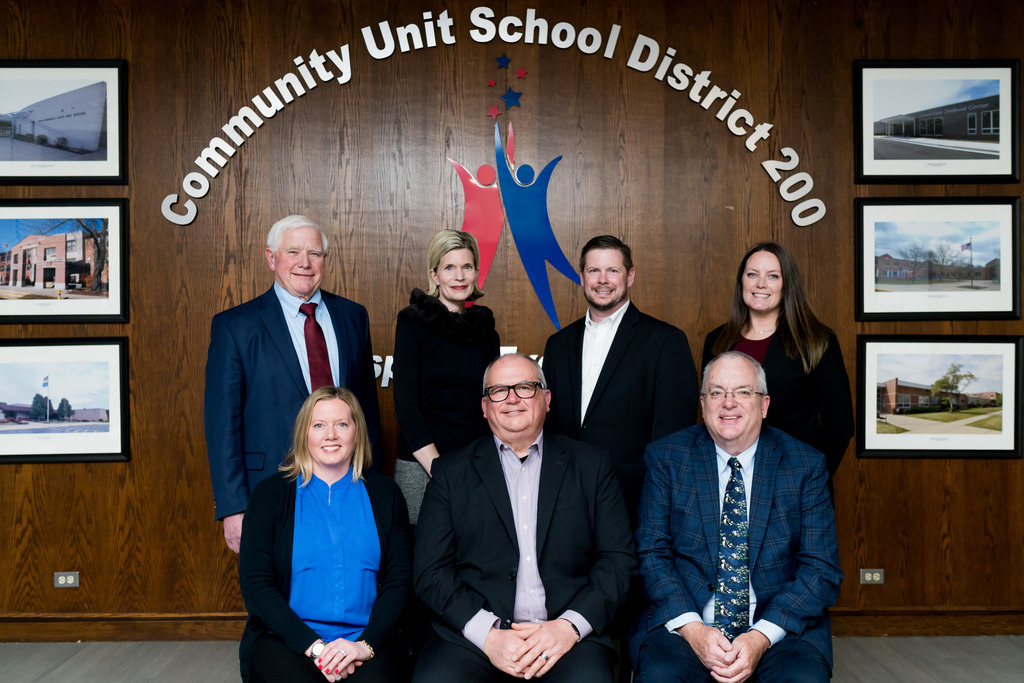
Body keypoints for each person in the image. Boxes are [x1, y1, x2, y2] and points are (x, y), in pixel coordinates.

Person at [412, 354, 636, 683]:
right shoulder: (450, 473)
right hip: (473, 638)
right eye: (499, 390)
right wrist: (488, 634)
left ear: (546, 399)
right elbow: (430, 572)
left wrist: (569, 627)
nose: (513, 398)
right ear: (485, 407)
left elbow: (619, 561)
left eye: (525, 387)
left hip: (567, 635)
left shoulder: (592, 466)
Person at [631, 352, 843, 683]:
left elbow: (821, 568)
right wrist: (693, 629)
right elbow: (651, 553)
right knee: (660, 675)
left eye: (743, 392)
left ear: (764, 404)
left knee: (802, 678)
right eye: (717, 393)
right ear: (703, 404)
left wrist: (760, 637)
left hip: (777, 628)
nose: (728, 403)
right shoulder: (666, 458)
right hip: (687, 623)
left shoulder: (805, 465)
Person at [205, 214, 382, 553]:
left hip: (348, 485)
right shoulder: (235, 326)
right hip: (270, 487)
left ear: (324, 261)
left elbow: (367, 413)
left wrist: (373, 484)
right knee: (277, 595)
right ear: (271, 258)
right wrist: (232, 507)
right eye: (293, 252)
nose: (305, 263)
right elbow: (221, 425)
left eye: (314, 253)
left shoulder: (352, 316)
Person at [238, 387, 411, 683]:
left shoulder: (386, 495)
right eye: (319, 425)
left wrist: (362, 647)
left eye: (341, 424)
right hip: (288, 640)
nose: (330, 434)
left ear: (357, 432)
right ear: (304, 433)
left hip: (367, 640)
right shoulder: (270, 495)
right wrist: (317, 648)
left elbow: (399, 581)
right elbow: (257, 587)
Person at [542, 234, 698, 526]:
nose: (603, 280)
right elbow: (549, 425)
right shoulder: (558, 344)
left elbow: (673, 435)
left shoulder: (665, 341)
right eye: (594, 271)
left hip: (634, 501)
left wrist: (659, 505)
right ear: (581, 277)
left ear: (630, 277)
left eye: (613, 270)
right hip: (565, 498)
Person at [702, 242, 853, 494]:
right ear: (742, 281)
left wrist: (811, 478)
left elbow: (840, 424)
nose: (761, 284)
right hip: (728, 484)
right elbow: (708, 414)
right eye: (753, 274)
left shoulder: (817, 340)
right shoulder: (717, 341)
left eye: (773, 276)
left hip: (794, 483)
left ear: (787, 284)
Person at [393, 229, 500, 525]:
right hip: (421, 464)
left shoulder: (485, 331)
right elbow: (406, 404)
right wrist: (438, 468)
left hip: (474, 464)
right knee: (419, 558)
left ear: (476, 272)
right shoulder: (413, 322)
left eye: (467, 267)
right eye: (449, 267)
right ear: (435, 274)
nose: (459, 275)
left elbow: (492, 404)